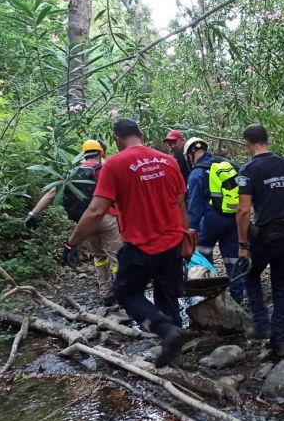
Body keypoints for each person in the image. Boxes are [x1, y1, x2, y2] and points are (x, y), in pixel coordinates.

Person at [64, 119, 190, 367]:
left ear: (116, 140)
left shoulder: (115, 164)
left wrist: (72, 243)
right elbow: (181, 205)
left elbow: (96, 211)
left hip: (141, 246)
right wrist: (185, 236)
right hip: (172, 242)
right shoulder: (169, 161)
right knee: (168, 296)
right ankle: (176, 353)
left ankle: (166, 332)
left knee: (126, 291)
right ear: (141, 135)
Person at [236, 124, 284, 359]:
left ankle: (261, 323)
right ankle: (280, 342)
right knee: (283, 288)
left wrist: (243, 246)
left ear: (247, 143)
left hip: (268, 234)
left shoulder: (248, 170)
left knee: (251, 275)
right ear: (267, 140)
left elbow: (243, 212)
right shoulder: (282, 163)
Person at [24, 139, 121, 305]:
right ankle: (122, 293)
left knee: (99, 257)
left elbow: (51, 194)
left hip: (86, 222)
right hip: (107, 217)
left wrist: (33, 214)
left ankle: (106, 294)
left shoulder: (72, 174)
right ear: (100, 153)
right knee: (116, 258)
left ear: (83, 154)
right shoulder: (105, 169)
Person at [184, 137, 246, 303]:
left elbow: (195, 207)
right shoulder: (226, 164)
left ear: (190, 154)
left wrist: (191, 231)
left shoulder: (196, 174)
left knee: (202, 252)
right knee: (232, 257)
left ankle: (209, 293)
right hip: (232, 218)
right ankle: (238, 295)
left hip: (211, 221)